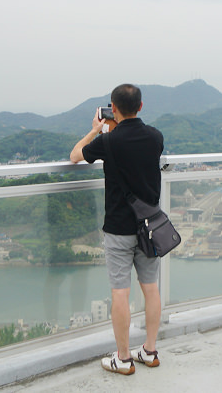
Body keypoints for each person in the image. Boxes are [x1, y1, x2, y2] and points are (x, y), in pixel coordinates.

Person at [69, 84, 165, 375]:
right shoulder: (156, 137)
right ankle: (149, 352)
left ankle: (122, 358)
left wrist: (98, 130)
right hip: (149, 226)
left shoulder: (108, 142)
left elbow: (75, 155)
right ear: (141, 105)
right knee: (151, 289)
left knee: (120, 293)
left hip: (118, 229)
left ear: (112, 107)